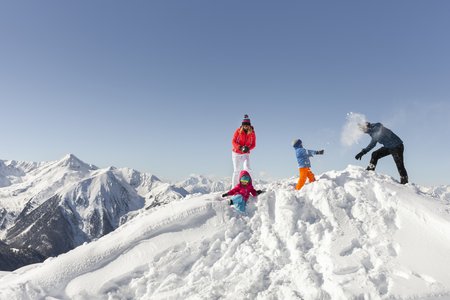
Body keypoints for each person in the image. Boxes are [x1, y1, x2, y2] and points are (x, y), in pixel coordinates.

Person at [231, 114, 256, 187]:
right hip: (236, 153)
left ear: (249, 125)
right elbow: (233, 141)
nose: (246, 126)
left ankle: (251, 186)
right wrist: (240, 147)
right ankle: (234, 188)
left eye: (247, 125)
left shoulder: (252, 133)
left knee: (248, 169)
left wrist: (248, 148)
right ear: (242, 125)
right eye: (244, 125)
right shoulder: (238, 131)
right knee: (236, 171)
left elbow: (254, 144)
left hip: (245, 154)